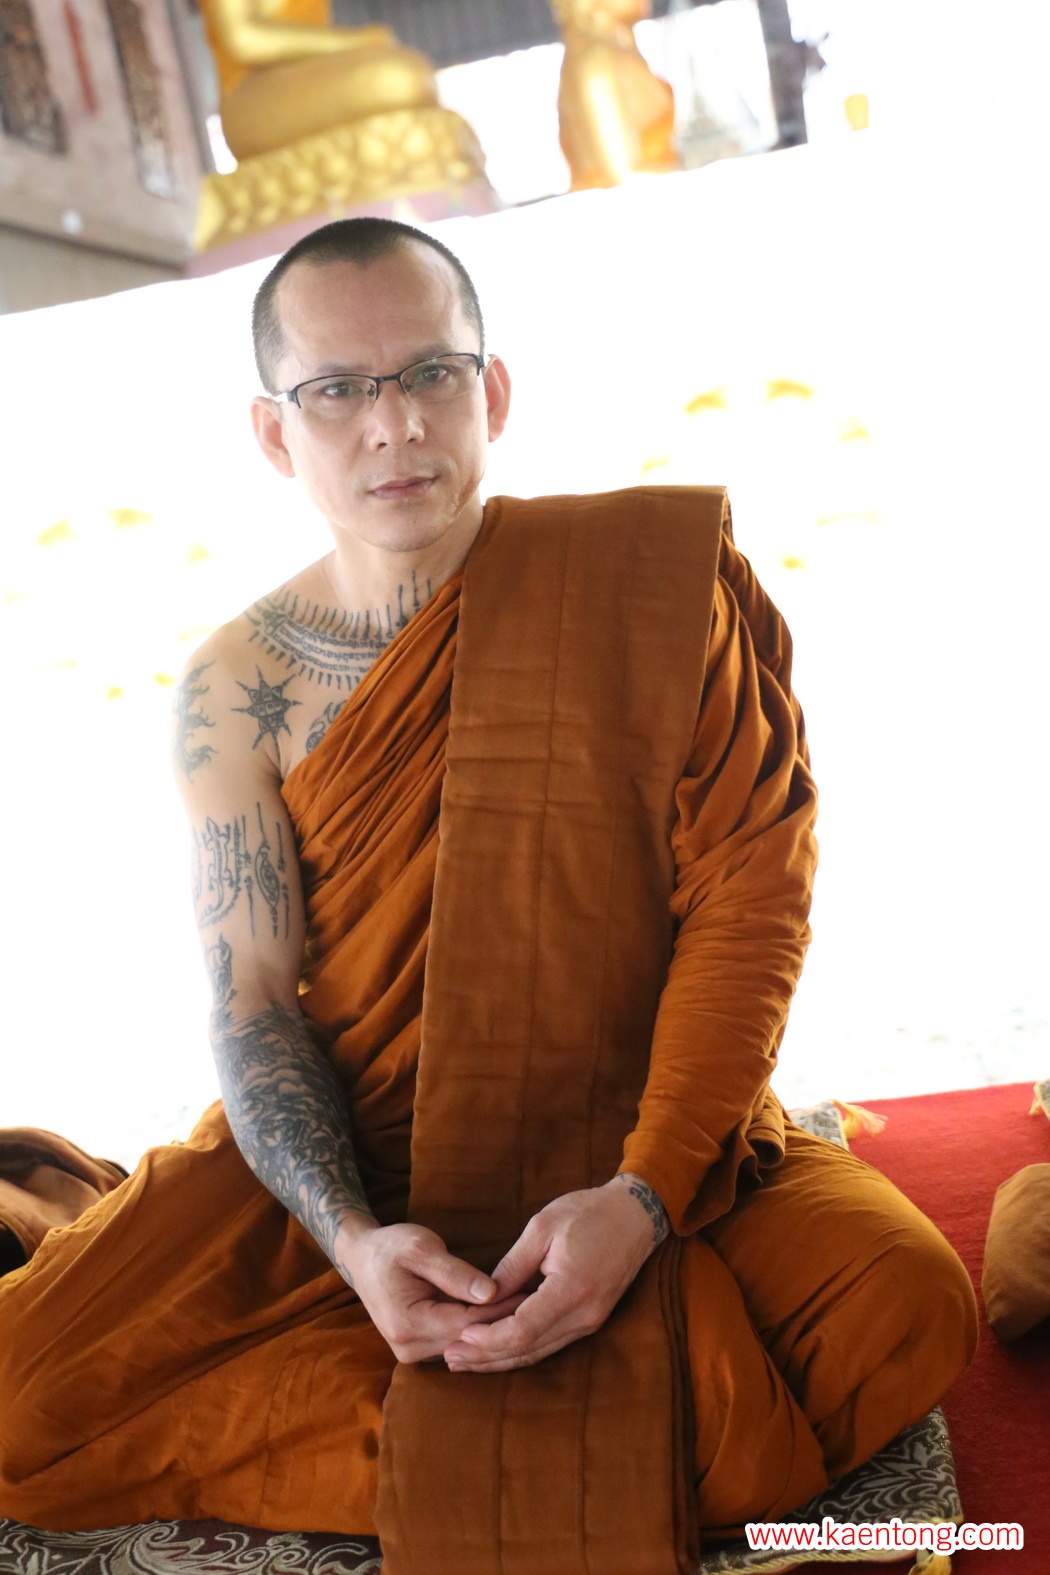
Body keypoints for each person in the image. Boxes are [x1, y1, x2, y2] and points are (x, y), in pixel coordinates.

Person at [0, 218, 977, 1567]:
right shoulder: (239, 687)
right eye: (338, 390)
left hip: (636, 1116)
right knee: (26, 1395)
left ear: (492, 392)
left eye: (430, 374)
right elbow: (255, 1000)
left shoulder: (648, 586)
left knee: (906, 1299)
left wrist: (642, 1198)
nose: (393, 423)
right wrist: (354, 1241)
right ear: (275, 433)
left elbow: (748, 912)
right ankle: (583, 1407)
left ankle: (501, 1407)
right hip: (361, 1145)